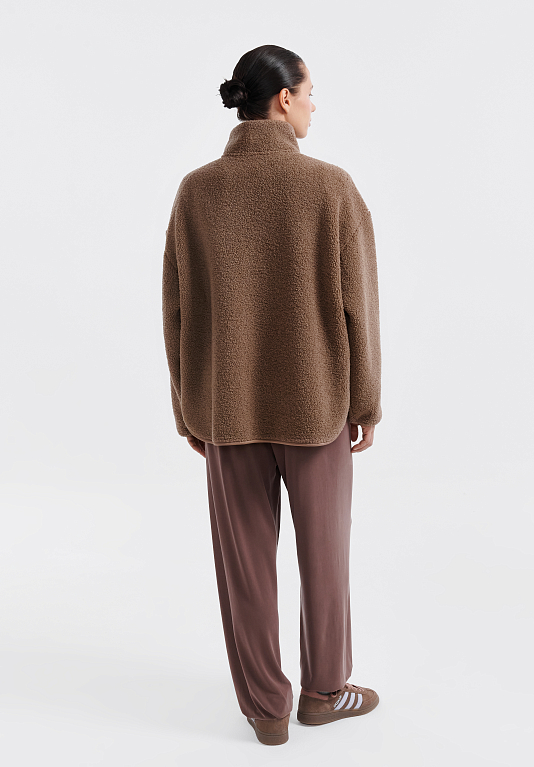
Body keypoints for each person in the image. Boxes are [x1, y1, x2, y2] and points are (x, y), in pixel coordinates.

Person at [161, 44, 382, 746]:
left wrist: (188, 409)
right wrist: (365, 401)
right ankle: (323, 692)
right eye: (310, 93)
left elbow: (176, 311)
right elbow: (359, 308)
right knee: (325, 556)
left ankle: (265, 708)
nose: (314, 105)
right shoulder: (329, 187)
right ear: (283, 100)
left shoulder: (197, 191)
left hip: (226, 411)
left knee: (245, 569)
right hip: (317, 407)